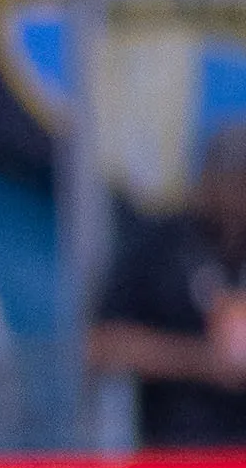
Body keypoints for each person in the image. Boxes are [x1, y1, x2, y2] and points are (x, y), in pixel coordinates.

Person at [91, 120, 246, 450]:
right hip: (177, 452)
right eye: (234, 181)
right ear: (209, 179)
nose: (238, 197)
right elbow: (102, 345)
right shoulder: (160, 244)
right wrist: (202, 361)